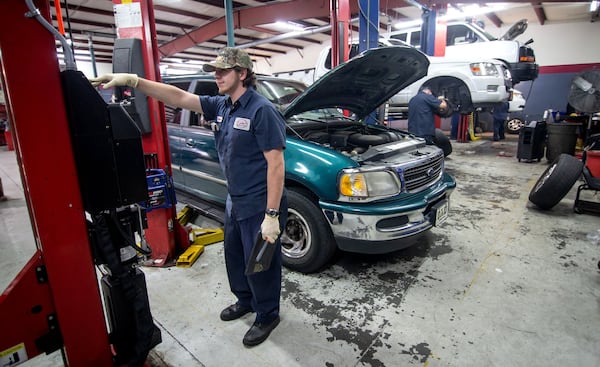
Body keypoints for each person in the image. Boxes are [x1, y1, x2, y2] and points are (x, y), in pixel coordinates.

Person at [90, 47, 287, 347]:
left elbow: (276, 164)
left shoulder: (261, 110)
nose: (217, 75)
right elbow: (178, 97)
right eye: (215, 70)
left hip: (260, 202)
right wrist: (133, 80)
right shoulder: (223, 106)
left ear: (242, 73)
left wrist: (271, 216)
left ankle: (267, 314)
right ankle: (245, 300)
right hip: (235, 198)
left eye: (223, 70)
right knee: (234, 257)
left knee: (260, 263)